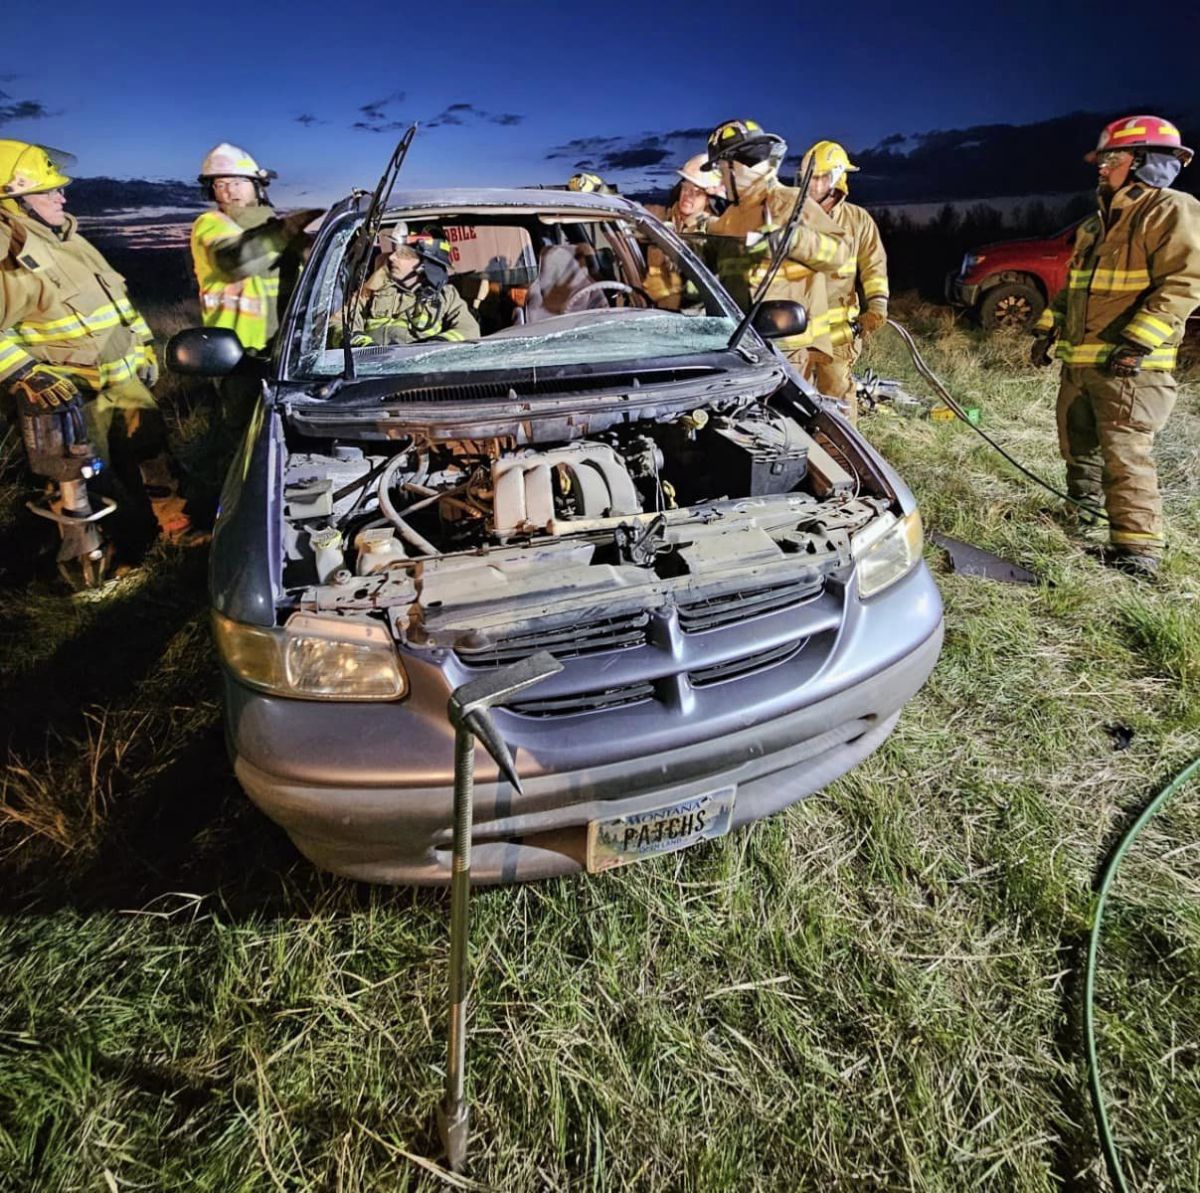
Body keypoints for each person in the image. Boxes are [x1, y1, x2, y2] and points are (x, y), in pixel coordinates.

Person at [0, 139, 195, 556]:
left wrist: (143, 346)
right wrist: (21, 371)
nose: (61, 194)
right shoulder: (11, 251)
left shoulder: (69, 240)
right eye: (47, 189)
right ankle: (122, 553)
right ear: (11, 199)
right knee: (93, 479)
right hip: (75, 395)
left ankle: (174, 525)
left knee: (151, 453)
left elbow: (118, 302)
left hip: (124, 380)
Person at [1031, 114, 1200, 577]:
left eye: (1112, 158)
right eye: (1102, 159)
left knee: (1125, 457)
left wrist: (1136, 342)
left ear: (1146, 161)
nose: (1102, 168)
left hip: (1130, 369)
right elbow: (1074, 288)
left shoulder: (1172, 210)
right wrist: (1048, 329)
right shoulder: (1094, 226)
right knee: (1077, 447)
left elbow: (1184, 283)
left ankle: (1138, 552)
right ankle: (1081, 518)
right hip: (1082, 363)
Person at [190, 144, 321, 435]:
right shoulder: (211, 225)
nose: (229, 191)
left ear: (257, 186)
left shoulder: (275, 230)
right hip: (238, 358)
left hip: (287, 352)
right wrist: (291, 228)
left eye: (238, 182)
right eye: (220, 184)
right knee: (246, 438)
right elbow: (237, 260)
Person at [702, 119, 848, 373]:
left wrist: (791, 240)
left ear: (740, 167)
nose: (720, 179)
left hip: (785, 346)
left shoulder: (788, 202)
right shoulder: (732, 215)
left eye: (721, 169)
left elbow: (839, 253)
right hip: (740, 340)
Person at [799, 141, 889, 422]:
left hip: (837, 333)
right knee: (793, 395)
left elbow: (874, 266)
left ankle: (842, 460)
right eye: (807, 178)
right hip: (795, 330)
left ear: (837, 178)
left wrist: (877, 306)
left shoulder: (857, 221)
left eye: (818, 178)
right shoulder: (792, 217)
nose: (812, 185)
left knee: (837, 395)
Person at [351, 230, 480, 345]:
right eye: (395, 250)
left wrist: (437, 344)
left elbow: (469, 329)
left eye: (403, 253)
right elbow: (338, 322)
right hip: (369, 367)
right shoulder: (372, 289)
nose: (391, 257)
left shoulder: (446, 296)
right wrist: (359, 341)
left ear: (425, 264)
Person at [643, 155, 725, 310]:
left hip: (691, 315)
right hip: (652, 305)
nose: (688, 195)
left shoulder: (713, 229)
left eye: (697, 192)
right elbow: (627, 208)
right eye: (685, 188)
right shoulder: (661, 216)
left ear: (709, 199)